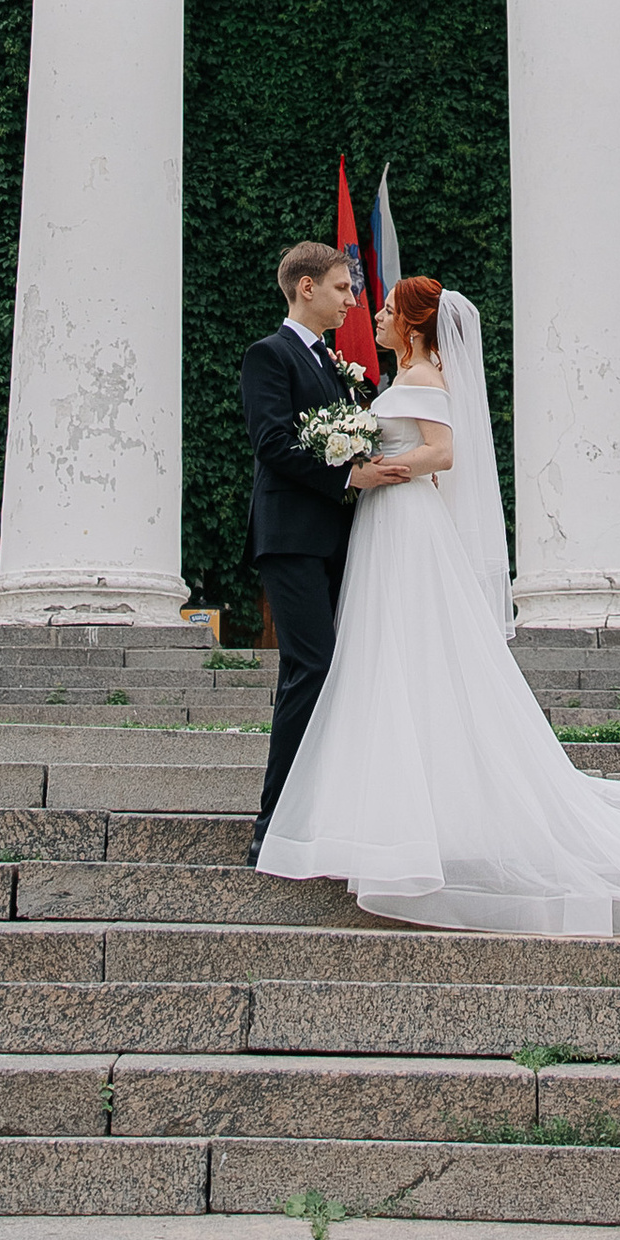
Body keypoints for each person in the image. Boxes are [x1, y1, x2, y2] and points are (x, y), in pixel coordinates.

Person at [255, 273, 620, 938]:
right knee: (383, 657)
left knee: (403, 652)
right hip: (385, 522)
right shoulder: (402, 375)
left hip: (403, 520)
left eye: (384, 309)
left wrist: (384, 467)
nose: (372, 316)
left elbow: (445, 452)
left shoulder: (426, 378)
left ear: (412, 323)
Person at [241, 240, 390, 863]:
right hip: (290, 538)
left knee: (317, 671)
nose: (352, 300)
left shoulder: (334, 364)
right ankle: (272, 826)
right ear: (306, 288)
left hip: (334, 538)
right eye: (341, 288)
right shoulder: (268, 356)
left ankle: (311, 812)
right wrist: (346, 477)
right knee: (314, 666)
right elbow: (272, 443)